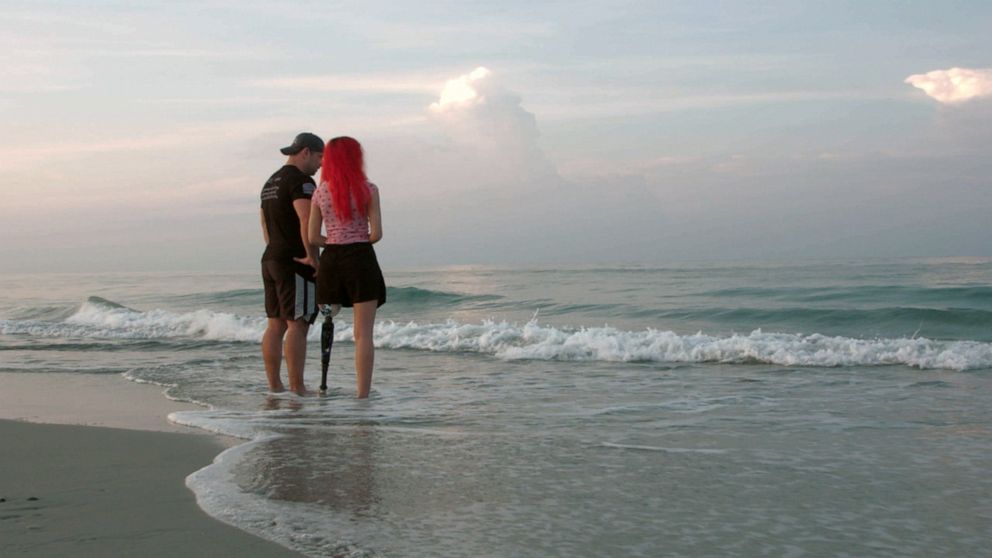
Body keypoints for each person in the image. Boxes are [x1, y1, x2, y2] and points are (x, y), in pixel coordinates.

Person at [308, 136, 385, 399]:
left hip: (332, 261)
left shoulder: (320, 192)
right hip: (360, 259)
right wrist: (356, 238)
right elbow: (376, 234)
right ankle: (362, 395)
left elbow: (312, 237)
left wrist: (334, 240)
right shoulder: (369, 189)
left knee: (329, 319)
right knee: (363, 334)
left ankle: (323, 384)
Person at [260, 132, 324, 394]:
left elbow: (264, 224)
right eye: (320, 158)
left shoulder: (270, 182)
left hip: (271, 256)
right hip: (295, 260)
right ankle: (298, 388)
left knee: (275, 324)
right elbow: (305, 219)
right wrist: (313, 257)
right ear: (305, 152)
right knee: (299, 323)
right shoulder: (301, 181)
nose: (321, 165)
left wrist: (275, 247)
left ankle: (275, 386)